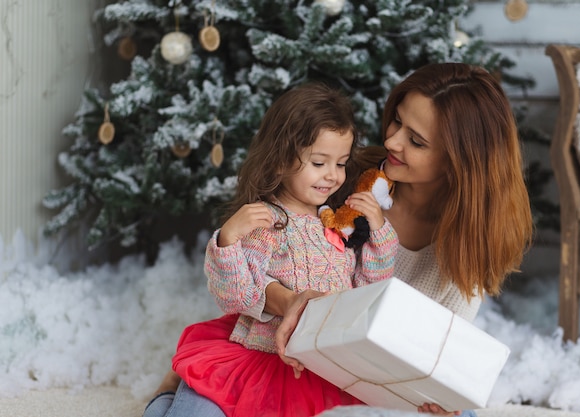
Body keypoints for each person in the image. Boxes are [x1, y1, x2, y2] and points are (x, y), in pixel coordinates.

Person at [145, 62, 534, 417]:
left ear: (458, 162)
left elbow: (431, 353)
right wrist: (288, 300)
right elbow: (260, 261)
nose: (393, 143)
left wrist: (432, 394)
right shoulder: (344, 175)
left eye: (417, 141)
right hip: (272, 337)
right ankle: (177, 388)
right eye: (396, 122)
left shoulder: (469, 246)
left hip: (356, 367)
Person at [143, 82, 399, 417]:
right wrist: (229, 238)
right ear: (280, 161)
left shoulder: (335, 223)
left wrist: (379, 230)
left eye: (341, 163)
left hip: (319, 365)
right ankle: (163, 400)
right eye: (319, 163)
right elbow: (236, 295)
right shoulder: (267, 222)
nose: (333, 176)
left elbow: (368, 292)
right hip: (259, 356)